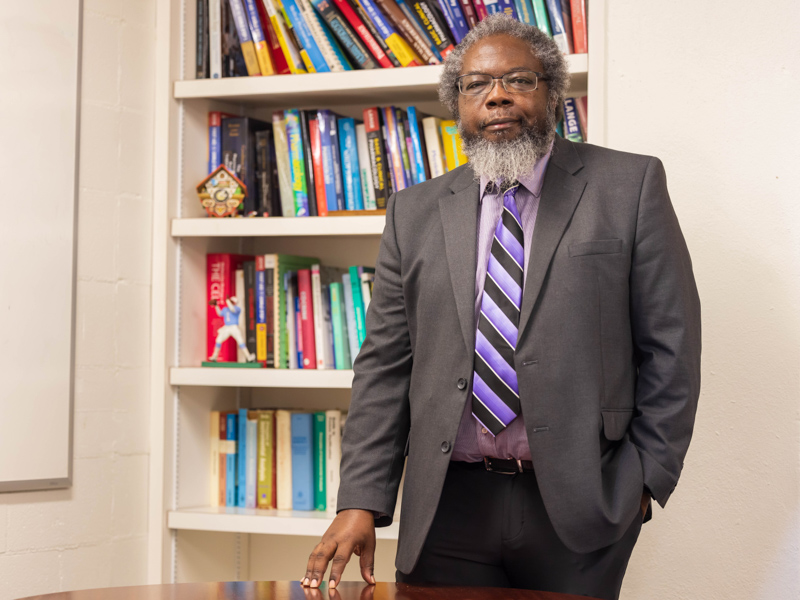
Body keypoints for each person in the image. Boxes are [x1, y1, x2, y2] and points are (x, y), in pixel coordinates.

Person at [302, 14, 701, 600]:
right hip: (445, 505)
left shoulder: (628, 185)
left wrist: (642, 481)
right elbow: (385, 366)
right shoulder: (413, 212)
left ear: (552, 92)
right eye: (476, 85)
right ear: (456, 104)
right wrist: (361, 499)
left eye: (519, 79)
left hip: (580, 501)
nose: (497, 97)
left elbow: (673, 347)